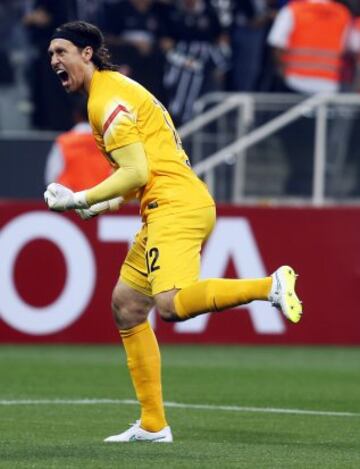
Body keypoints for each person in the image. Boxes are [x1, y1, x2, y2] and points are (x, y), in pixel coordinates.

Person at [44, 21, 303, 443]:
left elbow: (136, 171)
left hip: (175, 207)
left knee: (170, 306)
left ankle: (268, 286)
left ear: (87, 53)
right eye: (51, 54)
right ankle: (152, 424)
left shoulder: (106, 101)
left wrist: (79, 198)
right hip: (169, 202)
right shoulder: (118, 90)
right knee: (127, 306)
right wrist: (100, 204)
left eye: (61, 51)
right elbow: (137, 176)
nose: (54, 60)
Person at [267, 0, 352, 195]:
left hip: (295, 86)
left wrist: (283, 72)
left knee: (296, 146)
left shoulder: (293, 10)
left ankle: (300, 187)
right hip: (328, 88)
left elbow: (277, 44)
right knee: (319, 147)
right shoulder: (342, 13)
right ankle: (312, 188)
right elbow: (350, 46)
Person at [44, 96, 111, 191]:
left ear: (76, 115)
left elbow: (51, 178)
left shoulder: (64, 142)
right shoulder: (110, 142)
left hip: (72, 204)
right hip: (105, 204)